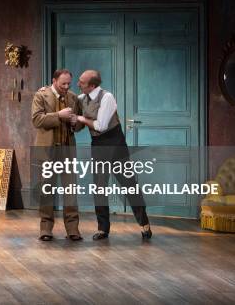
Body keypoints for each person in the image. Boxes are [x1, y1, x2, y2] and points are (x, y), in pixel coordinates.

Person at [75, 69, 152, 240]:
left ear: (92, 85)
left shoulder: (107, 97)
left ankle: (144, 224)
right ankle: (103, 228)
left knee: (129, 185)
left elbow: (101, 125)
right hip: (98, 145)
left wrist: (80, 119)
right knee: (99, 188)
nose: (78, 84)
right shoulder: (81, 98)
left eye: (82, 82)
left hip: (115, 144)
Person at [32, 69, 83, 241]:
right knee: (47, 190)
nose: (66, 87)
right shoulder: (41, 95)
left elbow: (79, 122)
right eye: (63, 84)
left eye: (69, 83)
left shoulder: (73, 97)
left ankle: (73, 230)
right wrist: (58, 116)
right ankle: (45, 229)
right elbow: (37, 120)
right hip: (48, 151)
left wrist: (76, 123)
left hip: (67, 151)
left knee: (71, 191)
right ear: (54, 81)